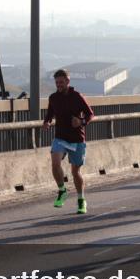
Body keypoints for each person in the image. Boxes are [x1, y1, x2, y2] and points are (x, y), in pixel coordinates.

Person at [43, 69, 95, 214]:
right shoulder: (53, 98)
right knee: (55, 162)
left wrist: (81, 121)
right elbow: (49, 114)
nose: (59, 85)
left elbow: (90, 114)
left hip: (77, 138)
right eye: (57, 82)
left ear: (68, 81)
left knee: (75, 172)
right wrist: (47, 122)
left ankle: (81, 200)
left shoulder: (77, 96)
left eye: (61, 82)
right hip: (60, 137)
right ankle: (62, 190)